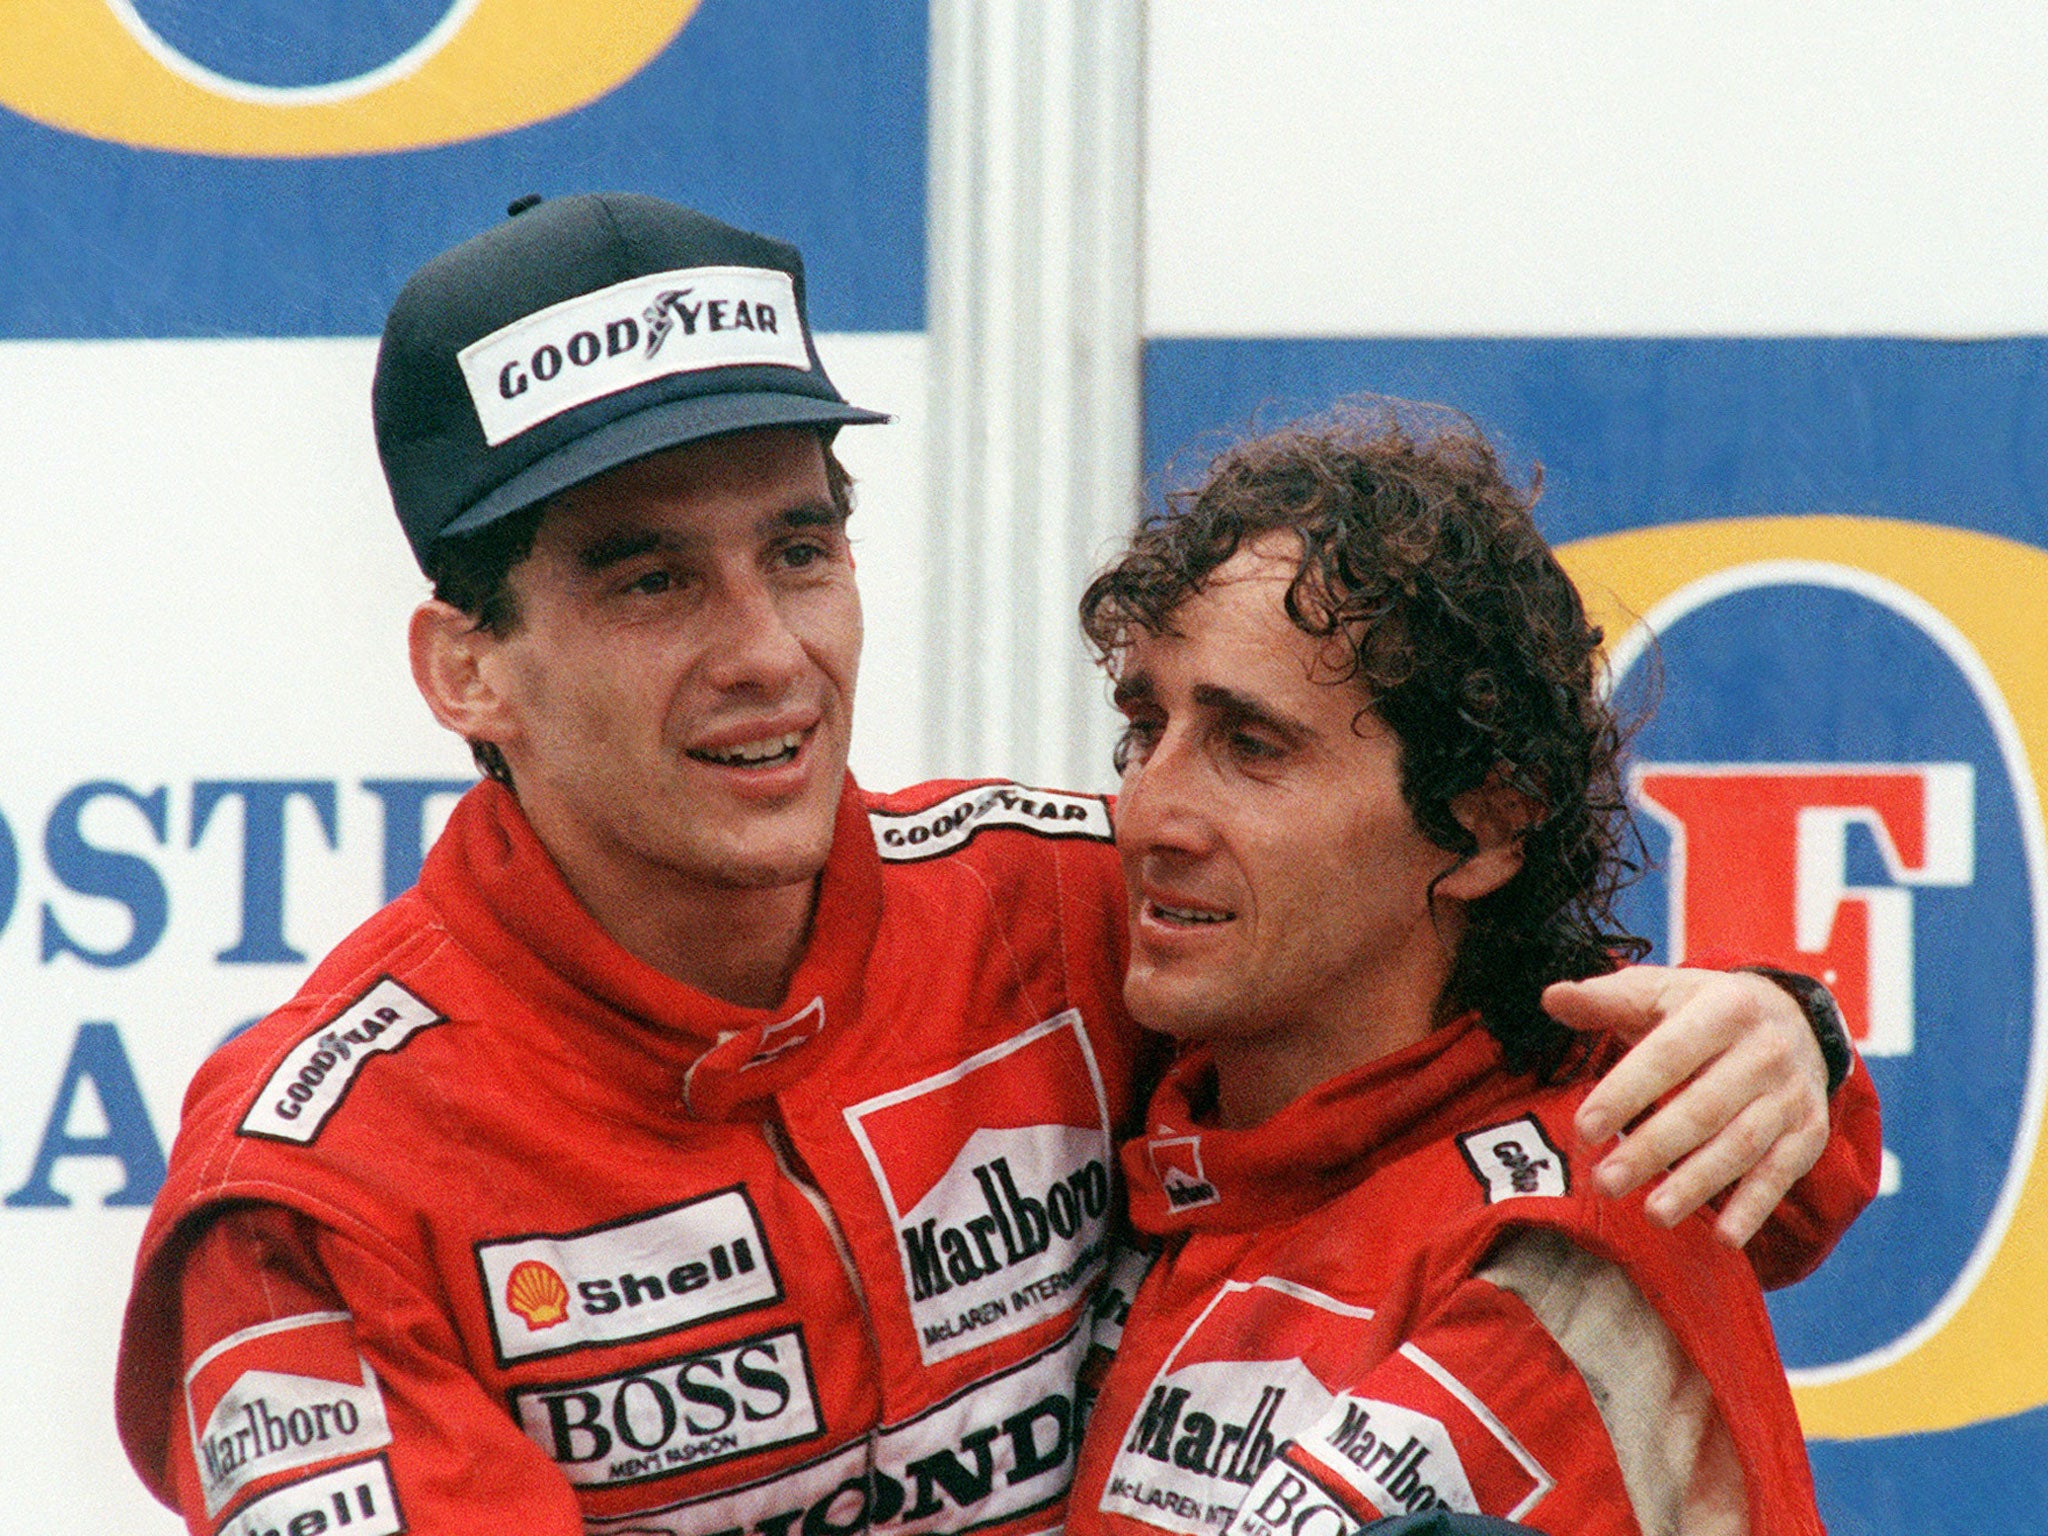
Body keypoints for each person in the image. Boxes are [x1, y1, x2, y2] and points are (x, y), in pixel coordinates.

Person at [112, 196, 1871, 1536]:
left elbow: (1453, 1063)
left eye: (799, 549)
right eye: (650, 580)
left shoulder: (1052, 908)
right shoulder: (313, 1193)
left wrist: (1785, 1038)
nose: (765, 652)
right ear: (465, 668)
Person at [1064, 408, 1878, 1536]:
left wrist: (1801, 1036)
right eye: (1143, 729)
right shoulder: (1129, 1096)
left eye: (1251, 748)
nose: (1146, 811)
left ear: (1486, 829)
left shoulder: (1563, 1251)